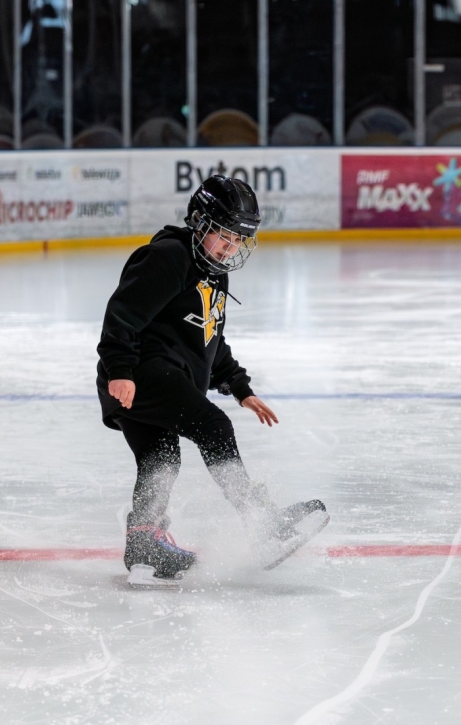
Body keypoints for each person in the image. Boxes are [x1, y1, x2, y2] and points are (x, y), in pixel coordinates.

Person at [96, 175, 329, 586]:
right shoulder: (170, 256)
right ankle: (261, 522)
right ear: (200, 223)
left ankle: (144, 542)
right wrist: (119, 370)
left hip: (155, 376)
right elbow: (122, 313)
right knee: (212, 426)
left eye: (239, 240)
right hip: (140, 372)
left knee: (161, 459)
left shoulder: (212, 271)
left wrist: (240, 387)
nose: (230, 247)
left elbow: (210, 338)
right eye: (223, 235)